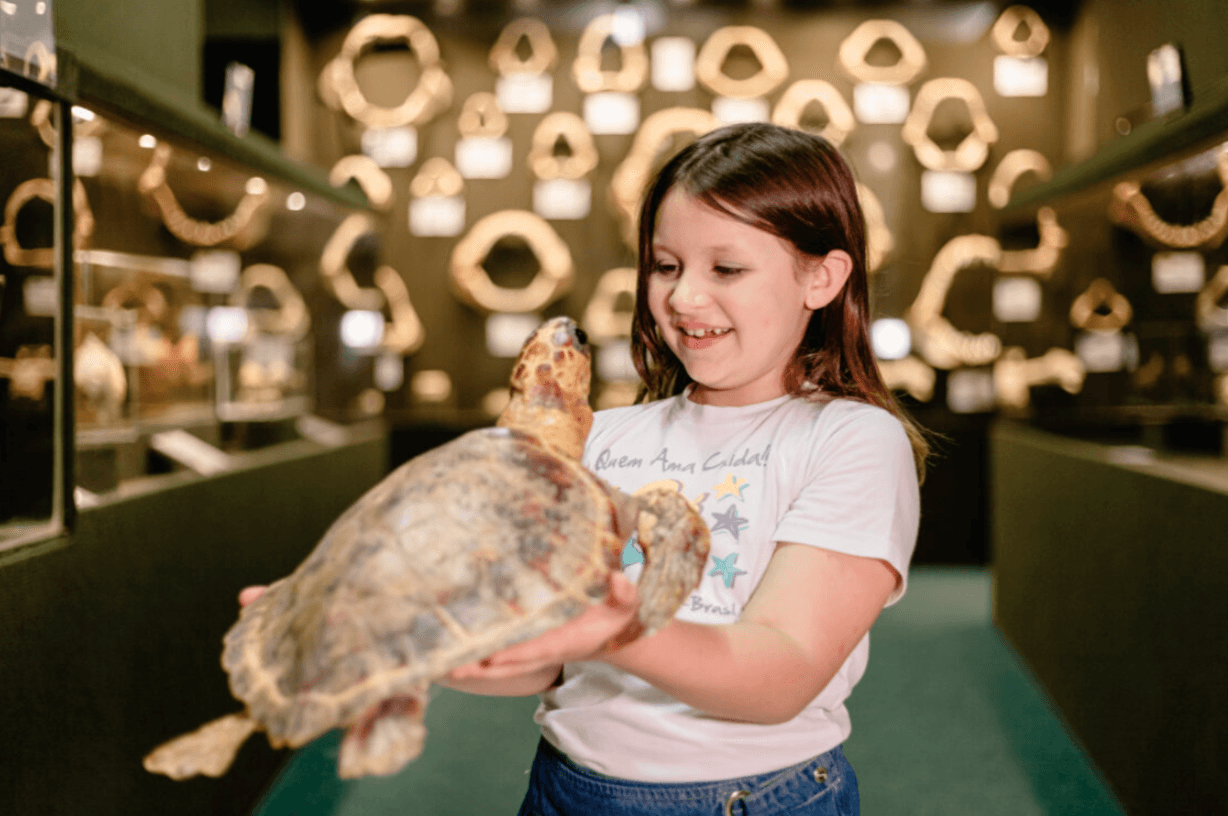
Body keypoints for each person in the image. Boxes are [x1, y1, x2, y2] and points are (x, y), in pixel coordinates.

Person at [441, 122, 927, 816]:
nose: (683, 298)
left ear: (821, 277)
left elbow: (782, 671)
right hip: (566, 790)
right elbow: (545, 663)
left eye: (726, 269)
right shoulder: (600, 437)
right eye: (666, 266)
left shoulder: (852, 440)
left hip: (755, 800)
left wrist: (610, 626)